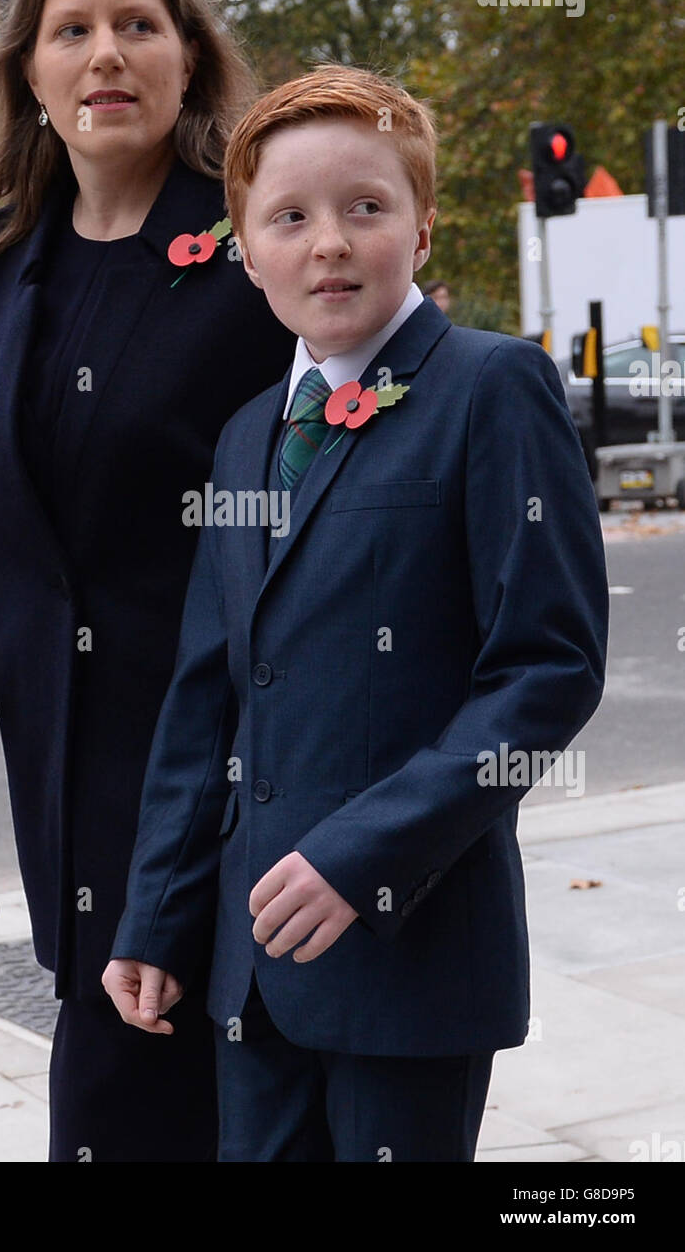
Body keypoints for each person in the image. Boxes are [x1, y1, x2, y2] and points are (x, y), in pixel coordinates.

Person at [104, 65, 609, 1162]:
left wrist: (364, 855)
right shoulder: (244, 435)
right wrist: (154, 913)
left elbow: (547, 669)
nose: (327, 241)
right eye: (289, 217)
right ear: (245, 250)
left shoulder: (493, 386)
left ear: (421, 228)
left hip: (410, 956)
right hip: (252, 968)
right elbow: (207, 701)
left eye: (364, 207)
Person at [0, 0, 293, 1163]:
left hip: (231, 781)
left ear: (187, 60)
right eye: (72, 31)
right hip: (66, 784)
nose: (105, 53)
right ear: (31, 75)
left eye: (136, 25)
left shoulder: (251, 249)